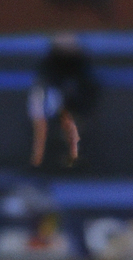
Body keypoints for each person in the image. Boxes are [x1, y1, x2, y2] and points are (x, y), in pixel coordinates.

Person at [29, 34, 99, 167]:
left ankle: (71, 158)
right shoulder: (48, 74)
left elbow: (89, 92)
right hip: (54, 103)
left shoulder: (82, 72)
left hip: (75, 102)